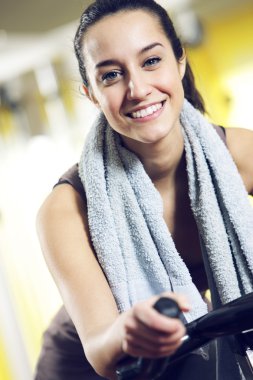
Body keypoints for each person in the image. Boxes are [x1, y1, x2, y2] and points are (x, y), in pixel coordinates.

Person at [34, 0, 253, 379]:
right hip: (83, 366)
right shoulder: (65, 209)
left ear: (179, 62)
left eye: (151, 61)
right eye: (111, 75)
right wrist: (128, 328)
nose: (137, 89)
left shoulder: (241, 154)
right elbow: (101, 349)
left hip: (189, 348)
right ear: (91, 94)